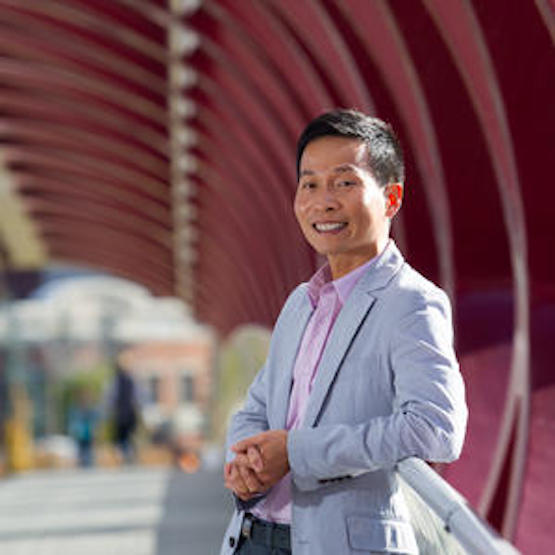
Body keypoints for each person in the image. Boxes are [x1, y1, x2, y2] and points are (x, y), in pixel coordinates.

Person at [220, 109, 468, 555]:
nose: (323, 201)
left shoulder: (411, 301)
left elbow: (435, 428)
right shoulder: (300, 303)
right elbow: (257, 407)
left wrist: (297, 453)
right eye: (309, 183)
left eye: (344, 182)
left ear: (391, 199)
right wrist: (243, 462)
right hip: (253, 535)